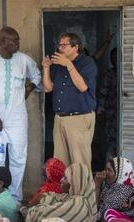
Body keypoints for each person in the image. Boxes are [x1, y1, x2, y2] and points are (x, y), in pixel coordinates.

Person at [0, 26, 41, 203]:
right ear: (3, 42)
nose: (18, 44)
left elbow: (37, 76)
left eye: (18, 40)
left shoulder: (23, 60)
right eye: (15, 41)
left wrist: (28, 89)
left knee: (19, 158)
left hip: (18, 118)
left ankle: (15, 198)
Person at [42, 32, 98, 168]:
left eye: (64, 45)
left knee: (80, 162)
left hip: (79, 118)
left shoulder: (87, 63)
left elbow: (83, 87)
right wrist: (46, 68)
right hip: (60, 119)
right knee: (60, 163)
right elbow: (48, 88)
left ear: (75, 47)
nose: (60, 48)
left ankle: (82, 190)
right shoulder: (58, 65)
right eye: (59, 45)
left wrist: (69, 64)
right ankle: (65, 190)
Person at [22, 163, 97, 222]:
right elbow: (50, 197)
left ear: (75, 182)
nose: (61, 180)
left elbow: (43, 216)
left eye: (65, 178)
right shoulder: (69, 197)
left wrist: (32, 210)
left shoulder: (79, 203)